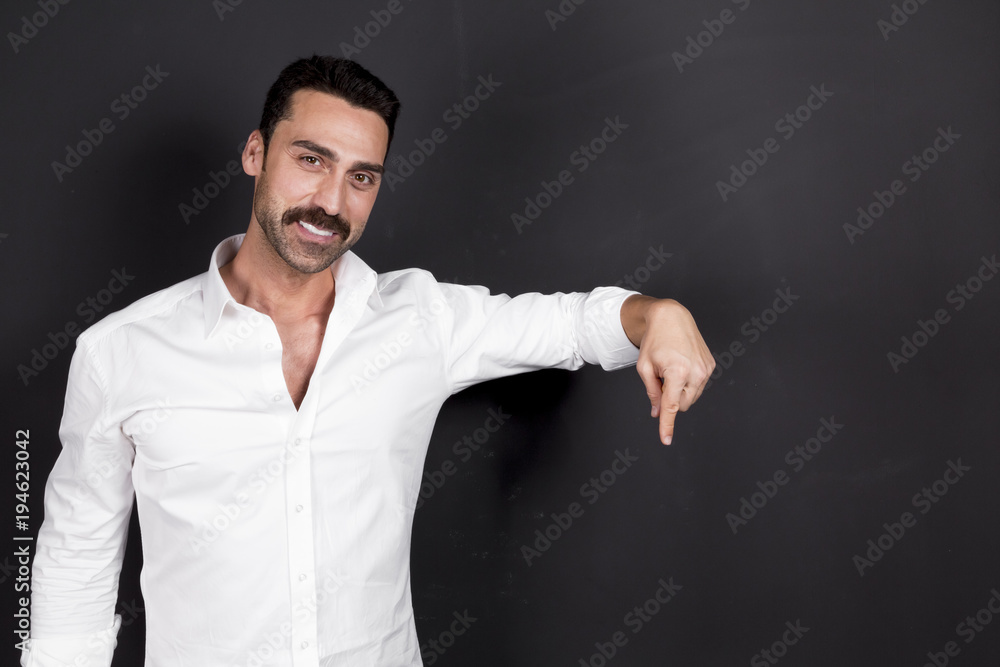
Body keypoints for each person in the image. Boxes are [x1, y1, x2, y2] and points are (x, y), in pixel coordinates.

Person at [22, 56, 713, 666]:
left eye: (362, 177)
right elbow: (74, 563)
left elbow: (572, 324)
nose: (330, 201)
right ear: (256, 153)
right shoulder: (120, 351)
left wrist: (659, 313)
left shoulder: (419, 320)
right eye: (311, 159)